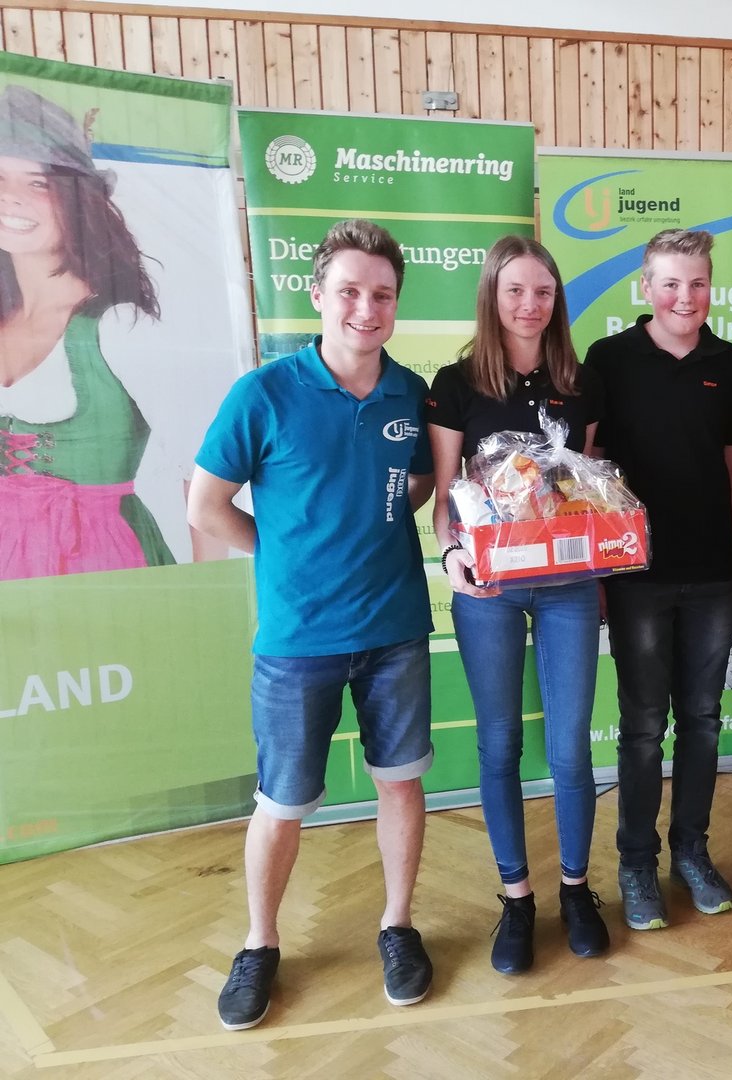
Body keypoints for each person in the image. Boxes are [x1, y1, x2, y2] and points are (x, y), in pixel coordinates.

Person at [188, 219, 436, 1029]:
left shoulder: (411, 393)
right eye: (350, 291)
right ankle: (259, 943)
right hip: (297, 642)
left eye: (382, 294)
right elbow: (205, 506)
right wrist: (284, 553)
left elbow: (419, 483)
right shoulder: (262, 394)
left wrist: (377, 520)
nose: (367, 308)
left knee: (401, 782)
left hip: (396, 629)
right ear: (318, 295)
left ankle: (397, 926)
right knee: (284, 801)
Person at [427, 234, 609, 974]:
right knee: (499, 744)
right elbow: (445, 500)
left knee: (570, 747)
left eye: (543, 292)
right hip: (490, 589)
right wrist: (451, 555)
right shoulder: (456, 383)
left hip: (569, 586)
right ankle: (517, 898)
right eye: (515, 291)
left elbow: (588, 488)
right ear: (492, 296)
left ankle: (576, 889)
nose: (530, 304)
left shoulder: (579, 382)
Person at [583, 229, 732, 931]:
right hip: (635, 577)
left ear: (711, 287)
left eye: (699, 283)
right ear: (646, 288)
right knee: (644, 728)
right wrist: (597, 569)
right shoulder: (610, 359)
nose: (687, 297)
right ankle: (635, 862)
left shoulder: (728, 361)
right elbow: (588, 470)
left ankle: (691, 851)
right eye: (672, 283)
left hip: (713, 574)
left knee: (704, 722)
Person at [0, 84, 172, 580]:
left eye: (38, 182)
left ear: (78, 199)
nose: (10, 197)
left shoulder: (117, 325)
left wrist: (203, 599)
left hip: (99, 561)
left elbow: (197, 474)